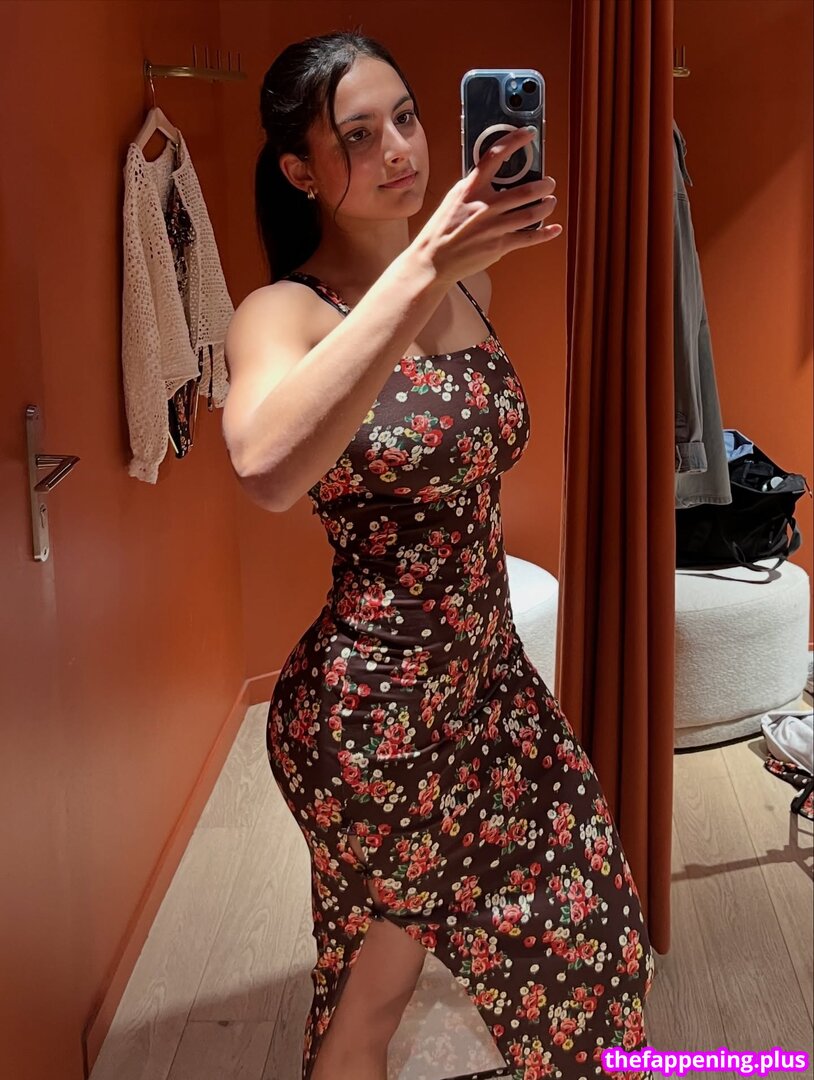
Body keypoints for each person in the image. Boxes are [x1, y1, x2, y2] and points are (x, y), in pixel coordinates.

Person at [222, 30, 655, 1080]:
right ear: (301, 172)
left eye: (407, 118)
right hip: (374, 717)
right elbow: (266, 468)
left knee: (593, 933)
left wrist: (441, 268)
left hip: (489, 685)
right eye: (357, 135)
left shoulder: (468, 291)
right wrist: (425, 265)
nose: (399, 150)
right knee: (376, 991)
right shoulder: (283, 313)